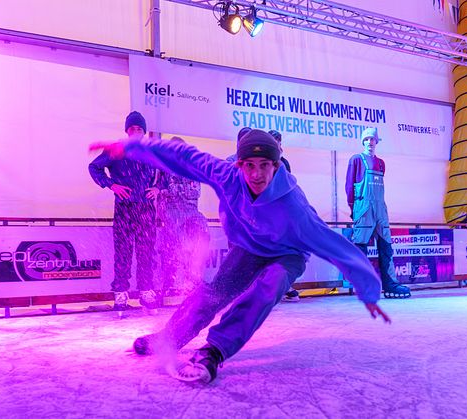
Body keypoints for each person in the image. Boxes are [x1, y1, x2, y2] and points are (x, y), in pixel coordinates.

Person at [89, 129, 390, 385]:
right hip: (248, 246)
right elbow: (184, 157)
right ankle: (167, 338)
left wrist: (368, 287)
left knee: (268, 287)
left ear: (276, 165)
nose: (256, 174)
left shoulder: (293, 208)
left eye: (264, 166)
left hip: (286, 253)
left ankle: (215, 350)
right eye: (249, 165)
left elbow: (333, 245)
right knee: (213, 293)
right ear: (239, 164)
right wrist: (131, 147)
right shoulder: (228, 175)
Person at [88, 111, 160, 316]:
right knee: (123, 252)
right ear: (127, 131)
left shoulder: (152, 152)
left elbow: (166, 171)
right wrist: (111, 185)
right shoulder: (116, 150)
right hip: (125, 208)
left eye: (139, 129)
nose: (136, 132)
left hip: (146, 209)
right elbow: (94, 167)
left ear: (144, 132)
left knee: (146, 252)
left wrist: (158, 188)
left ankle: (146, 292)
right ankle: (121, 293)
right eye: (132, 129)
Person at [345, 127, 411, 299]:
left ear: (377, 142)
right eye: (366, 139)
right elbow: (348, 187)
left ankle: (390, 284)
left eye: (372, 139)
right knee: (360, 248)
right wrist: (354, 209)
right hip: (363, 207)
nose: (369, 142)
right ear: (362, 141)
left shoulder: (381, 163)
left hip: (381, 209)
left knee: (386, 246)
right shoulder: (356, 160)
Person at [155, 137, 210, 298]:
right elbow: (163, 190)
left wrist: (173, 190)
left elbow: (195, 192)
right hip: (171, 211)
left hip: (191, 211)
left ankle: (193, 279)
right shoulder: (165, 167)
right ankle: (169, 284)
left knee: (203, 232)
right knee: (175, 243)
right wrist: (177, 190)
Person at [268, 129, 298, 302]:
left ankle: (285, 285)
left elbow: (289, 187)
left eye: (278, 142)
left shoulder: (284, 162)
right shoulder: (262, 162)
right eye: (273, 141)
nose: (276, 145)